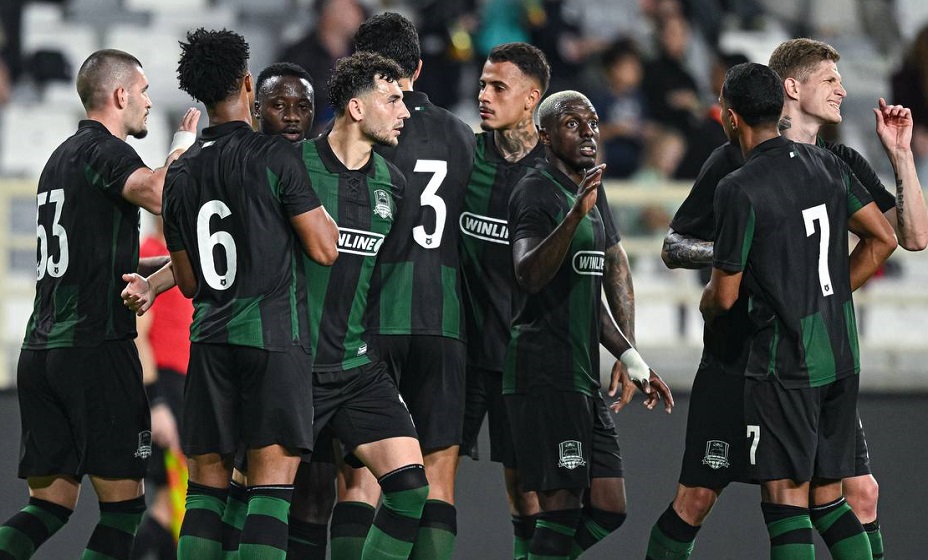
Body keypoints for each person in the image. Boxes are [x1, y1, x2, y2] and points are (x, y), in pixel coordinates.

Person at [650, 38, 928, 560]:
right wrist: (752, 255)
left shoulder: (837, 161)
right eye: (830, 80)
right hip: (737, 360)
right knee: (698, 499)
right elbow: (673, 244)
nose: (842, 89)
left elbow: (909, 236)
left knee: (853, 493)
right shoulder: (731, 162)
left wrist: (900, 156)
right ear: (791, 89)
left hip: (803, 354)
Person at [148, 28, 339, 560]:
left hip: (209, 345)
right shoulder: (276, 156)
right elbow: (325, 249)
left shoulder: (181, 174)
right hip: (273, 342)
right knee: (269, 494)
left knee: (205, 496)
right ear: (248, 84)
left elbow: (187, 282)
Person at [0, 48, 198, 560]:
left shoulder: (58, 159)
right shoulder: (103, 150)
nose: (149, 102)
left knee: (49, 505)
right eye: (145, 92)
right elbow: (161, 193)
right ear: (120, 95)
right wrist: (182, 146)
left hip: (41, 351)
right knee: (125, 509)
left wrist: (163, 272)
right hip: (96, 348)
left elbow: (94, 257)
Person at [295, 12, 478, 560]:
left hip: (368, 324)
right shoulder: (461, 136)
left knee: (358, 484)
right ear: (417, 68)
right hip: (443, 321)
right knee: (434, 480)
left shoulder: (367, 133)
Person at [699, 62, 896, 559]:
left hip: (786, 361)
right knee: (828, 499)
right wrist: (826, 293)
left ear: (731, 118)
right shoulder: (829, 164)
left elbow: (724, 297)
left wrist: (709, 304)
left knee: (786, 499)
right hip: (841, 353)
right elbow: (885, 238)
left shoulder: (738, 186)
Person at [506, 90, 673, 560]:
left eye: (594, 123)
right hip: (543, 371)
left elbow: (589, 298)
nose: (588, 132)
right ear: (544, 136)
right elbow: (527, 274)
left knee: (609, 506)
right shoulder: (535, 191)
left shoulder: (590, 193)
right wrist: (575, 213)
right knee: (560, 509)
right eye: (572, 123)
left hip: (579, 372)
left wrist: (633, 360)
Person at [296, 50, 430, 560]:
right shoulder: (296, 166)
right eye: (392, 99)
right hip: (294, 366)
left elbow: (376, 284)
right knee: (256, 499)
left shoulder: (392, 184)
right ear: (356, 108)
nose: (405, 110)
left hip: (356, 370)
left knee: (411, 488)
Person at [456, 41, 548, 560]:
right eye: (482, 85)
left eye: (498, 87)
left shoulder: (558, 166)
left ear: (531, 97)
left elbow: (610, 257)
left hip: (524, 360)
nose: (483, 96)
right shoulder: (463, 155)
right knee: (422, 474)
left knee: (526, 490)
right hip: (460, 352)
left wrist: (626, 350)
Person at [131, 214, 193, 560]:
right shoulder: (148, 255)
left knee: (175, 504)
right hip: (164, 388)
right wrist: (156, 404)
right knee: (167, 505)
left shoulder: (182, 256)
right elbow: (138, 336)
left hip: (182, 387)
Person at [277, 0, 366, 137]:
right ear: (327, 13)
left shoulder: (362, 53)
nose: (356, 14)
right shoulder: (298, 56)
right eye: (347, 8)